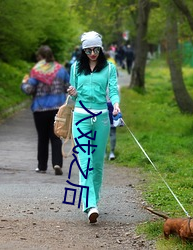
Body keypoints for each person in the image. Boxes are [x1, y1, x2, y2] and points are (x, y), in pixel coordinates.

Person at [67, 31, 120, 223]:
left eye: (96, 49)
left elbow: (113, 90)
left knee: (97, 163)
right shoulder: (75, 68)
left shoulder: (109, 68)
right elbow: (73, 97)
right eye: (88, 50)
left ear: (101, 48)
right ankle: (89, 204)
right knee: (85, 162)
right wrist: (72, 92)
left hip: (102, 118)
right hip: (80, 116)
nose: (92, 53)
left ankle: (94, 202)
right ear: (83, 50)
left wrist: (115, 104)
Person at [21, 45, 70, 175]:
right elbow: (68, 87)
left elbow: (29, 90)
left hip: (40, 109)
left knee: (42, 138)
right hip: (57, 109)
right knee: (55, 137)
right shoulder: (61, 70)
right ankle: (57, 163)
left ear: (40, 57)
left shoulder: (36, 71)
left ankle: (42, 166)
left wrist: (24, 83)